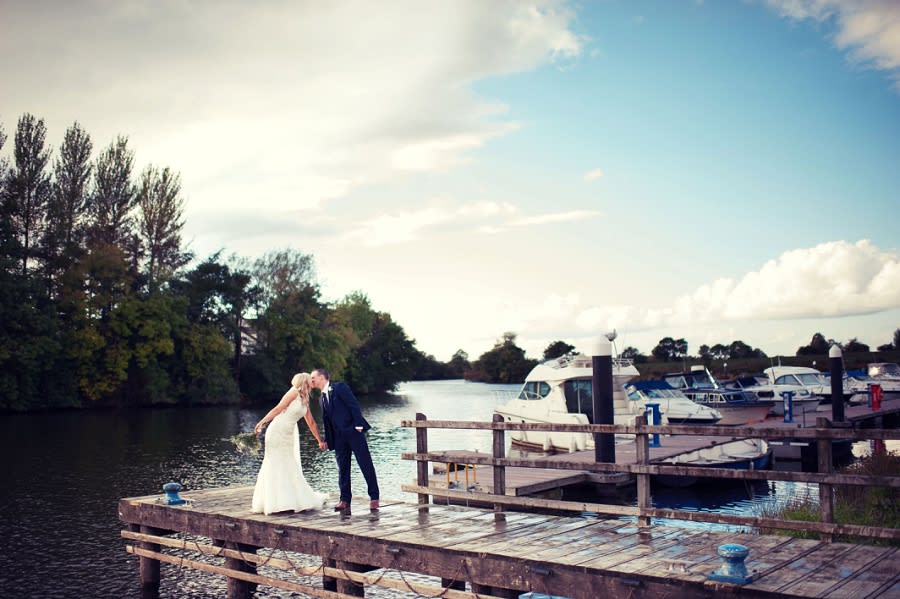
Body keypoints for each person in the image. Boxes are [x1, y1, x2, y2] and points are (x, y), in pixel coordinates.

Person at [251, 372, 329, 515]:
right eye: (310, 380)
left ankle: (288, 500)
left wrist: (319, 440)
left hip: (288, 435)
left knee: (288, 463)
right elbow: (277, 409)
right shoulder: (293, 393)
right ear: (304, 382)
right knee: (274, 463)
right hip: (277, 431)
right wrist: (261, 423)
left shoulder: (305, 398)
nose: (312, 383)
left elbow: (311, 422)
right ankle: (274, 502)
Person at [310, 367, 380, 512]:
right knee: (342, 468)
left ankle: (374, 497)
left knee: (365, 464)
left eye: (313, 378)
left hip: (354, 432)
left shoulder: (339, 388)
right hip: (338, 438)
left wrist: (358, 426)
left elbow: (353, 405)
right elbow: (328, 422)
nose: (311, 381)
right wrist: (328, 440)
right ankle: (345, 500)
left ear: (322, 377)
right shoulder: (321, 398)